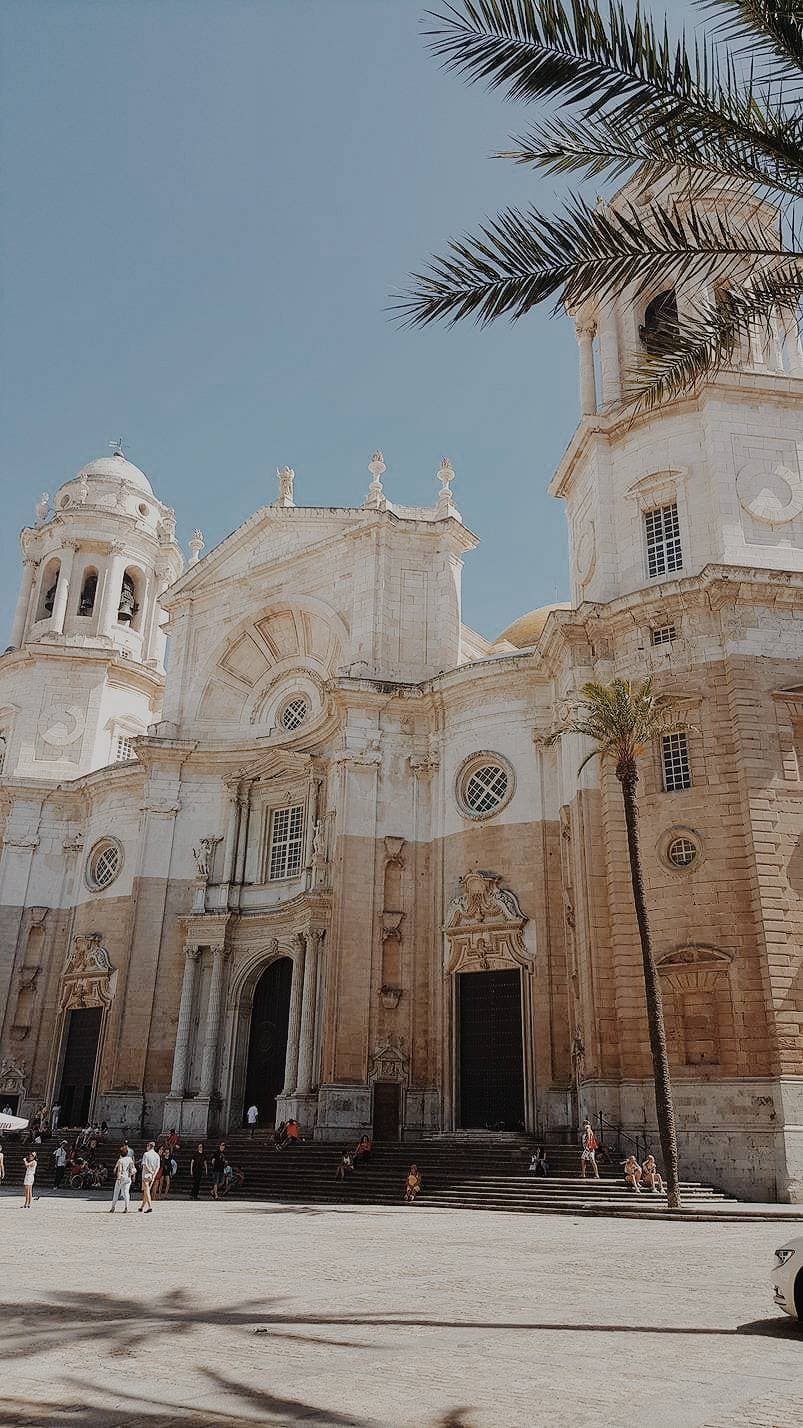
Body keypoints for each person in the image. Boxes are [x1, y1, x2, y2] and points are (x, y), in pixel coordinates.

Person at [109, 1143, 135, 1213]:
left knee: (116, 1193)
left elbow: (120, 1170)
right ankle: (126, 1207)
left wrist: (118, 1178)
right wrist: (131, 1175)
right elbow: (132, 1167)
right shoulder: (129, 1159)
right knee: (126, 1193)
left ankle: (113, 1207)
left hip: (122, 1177)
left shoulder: (121, 1160)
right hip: (128, 1178)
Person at [138, 1141, 160, 1213]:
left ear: (149, 1146)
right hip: (152, 1174)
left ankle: (150, 1206)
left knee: (147, 1190)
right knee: (146, 1191)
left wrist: (150, 1171)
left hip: (146, 1174)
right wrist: (154, 1174)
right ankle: (142, 1206)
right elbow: (158, 1167)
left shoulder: (146, 1154)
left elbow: (145, 1165)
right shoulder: (157, 1155)